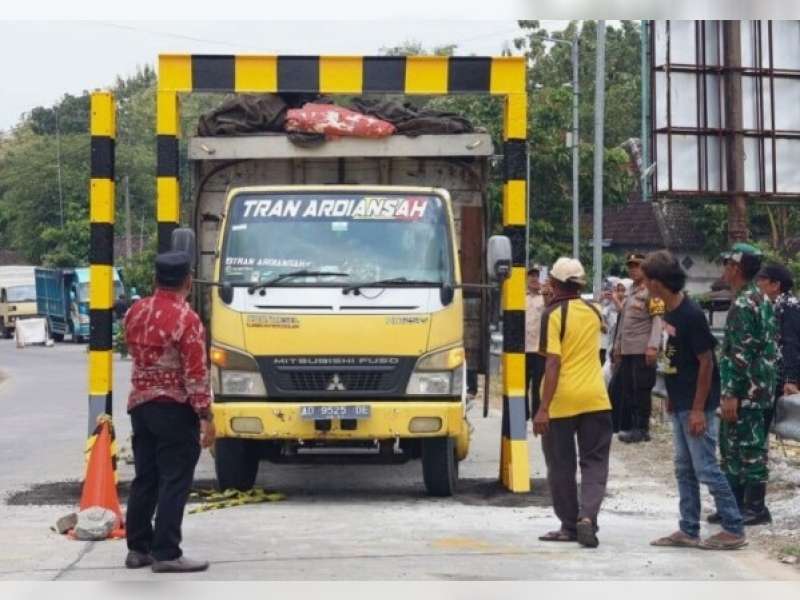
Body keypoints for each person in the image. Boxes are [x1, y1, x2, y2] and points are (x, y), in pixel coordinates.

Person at [642, 251, 746, 550]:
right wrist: (673, 398)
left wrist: (699, 409)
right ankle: (688, 528)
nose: (645, 285)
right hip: (680, 400)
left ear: (657, 283)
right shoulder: (669, 312)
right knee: (684, 468)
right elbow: (675, 359)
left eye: (648, 280)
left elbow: (706, 362)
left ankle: (734, 527)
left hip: (696, 404)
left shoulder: (690, 314)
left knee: (706, 468)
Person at [123, 251, 216, 573]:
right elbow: (195, 373)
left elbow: (130, 350)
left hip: (140, 406)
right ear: (188, 281)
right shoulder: (186, 319)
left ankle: (138, 549)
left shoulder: (135, 311)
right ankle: (167, 552)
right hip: (174, 408)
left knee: (145, 477)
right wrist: (205, 415)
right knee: (174, 479)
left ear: (155, 279)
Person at [533, 257, 612, 548]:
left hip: (561, 401)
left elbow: (552, 362)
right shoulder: (595, 310)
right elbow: (600, 335)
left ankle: (568, 525)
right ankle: (587, 517)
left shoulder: (552, 315)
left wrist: (543, 407)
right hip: (595, 399)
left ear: (553, 283)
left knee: (561, 464)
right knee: (595, 462)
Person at [713, 243, 777, 527]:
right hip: (760, 386)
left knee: (744, 449)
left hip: (745, 390)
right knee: (741, 447)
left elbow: (738, 354)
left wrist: (729, 394)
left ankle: (754, 507)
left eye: (727, 264)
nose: (724, 269)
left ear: (735, 267)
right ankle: (736, 505)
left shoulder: (742, 304)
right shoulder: (761, 299)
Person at [612, 253, 664, 443]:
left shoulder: (652, 291)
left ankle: (642, 428)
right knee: (629, 389)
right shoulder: (630, 291)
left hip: (642, 349)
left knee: (641, 389)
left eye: (637, 265)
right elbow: (623, 323)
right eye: (631, 266)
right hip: (627, 349)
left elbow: (657, 320)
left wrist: (653, 346)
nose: (633, 269)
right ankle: (631, 426)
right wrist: (617, 347)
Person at [756, 262, 800, 427]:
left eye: (762, 279)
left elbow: (791, 345)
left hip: (781, 379)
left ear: (775, 285)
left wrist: (790, 380)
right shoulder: (772, 306)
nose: (758, 283)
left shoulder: (789, 306)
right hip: (771, 376)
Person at [526, 266, 546, 419]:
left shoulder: (544, 298)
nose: (534, 278)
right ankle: (522, 414)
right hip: (523, 348)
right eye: (531, 275)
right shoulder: (520, 298)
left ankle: (536, 415)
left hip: (539, 348)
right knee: (522, 385)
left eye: (536, 276)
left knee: (538, 384)